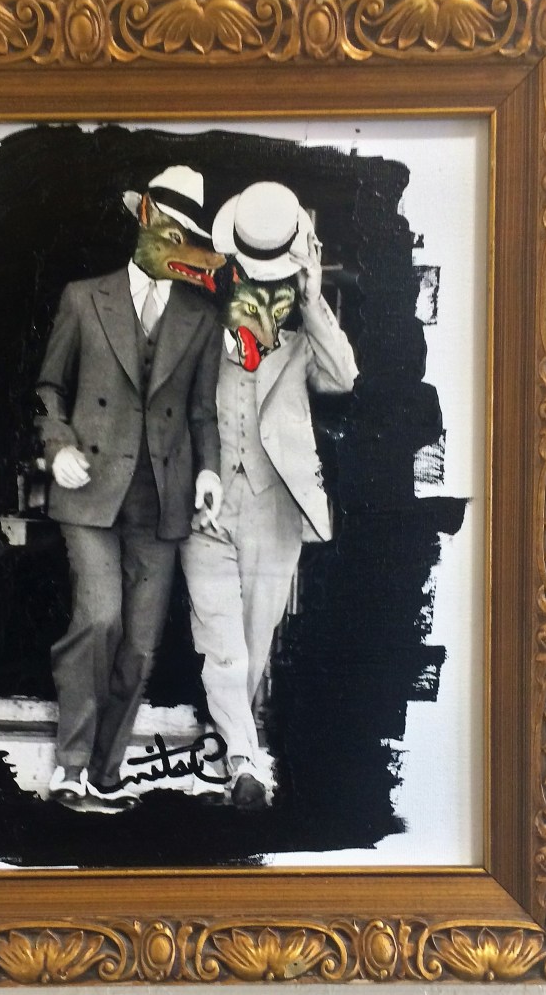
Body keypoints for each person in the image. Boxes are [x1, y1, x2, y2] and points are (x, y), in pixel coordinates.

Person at [36, 166, 224, 811]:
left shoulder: (201, 317)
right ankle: (70, 767)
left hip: (161, 499)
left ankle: (104, 771)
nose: (177, 244)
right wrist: (57, 446)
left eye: (188, 236)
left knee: (140, 648)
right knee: (99, 619)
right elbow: (47, 389)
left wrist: (208, 470)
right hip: (89, 490)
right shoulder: (84, 298)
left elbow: (202, 412)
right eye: (168, 229)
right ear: (143, 219)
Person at [180, 181, 358, 810]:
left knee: (255, 642)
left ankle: (235, 750)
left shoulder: (304, 338)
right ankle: (242, 759)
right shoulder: (198, 324)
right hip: (205, 508)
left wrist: (312, 300)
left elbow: (344, 377)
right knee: (221, 641)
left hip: (275, 508)